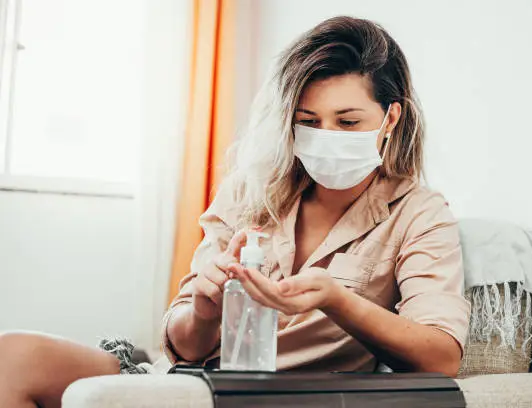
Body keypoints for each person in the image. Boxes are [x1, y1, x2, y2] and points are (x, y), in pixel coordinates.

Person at [0, 16, 470, 408]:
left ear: (390, 118)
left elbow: (441, 357)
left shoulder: (419, 214)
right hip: (181, 379)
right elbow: (183, 346)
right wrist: (205, 310)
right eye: (308, 122)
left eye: (348, 122)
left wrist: (335, 298)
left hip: (268, 396)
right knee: (12, 358)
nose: (326, 136)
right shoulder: (251, 188)